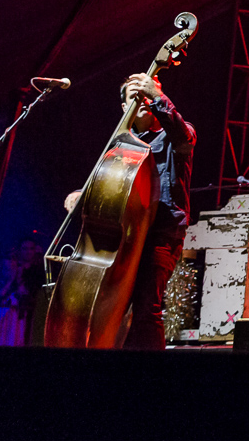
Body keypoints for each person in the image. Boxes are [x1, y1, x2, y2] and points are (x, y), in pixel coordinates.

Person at [63, 73, 196, 350]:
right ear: (126, 108)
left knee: (148, 308)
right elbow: (113, 186)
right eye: (137, 98)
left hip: (161, 233)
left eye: (148, 96)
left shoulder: (175, 135)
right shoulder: (122, 145)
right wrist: (83, 193)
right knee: (113, 306)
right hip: (126, 235)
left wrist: (158, 97)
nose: (144, 101)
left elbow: (184, 139)